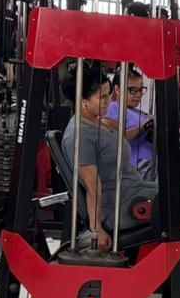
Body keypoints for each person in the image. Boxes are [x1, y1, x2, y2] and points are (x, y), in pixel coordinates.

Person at [62, 61, 157, 251]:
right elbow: (93, 186)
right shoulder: (80, 136)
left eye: (109, 95)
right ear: (83, 101)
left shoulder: (98, 123)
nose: (108, 101)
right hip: (121, 205)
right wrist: (96, 228)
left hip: (134, 191)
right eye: (102, 97)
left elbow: (122, 132)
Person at [103, 67, 155, 177]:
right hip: (140, 168)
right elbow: (117, 139)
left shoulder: (138, 112)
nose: (138, 95)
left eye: (141, 90)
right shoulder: (112, 109)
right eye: (133, 90)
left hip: (154, 164)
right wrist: (143, 127)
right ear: (118, 89)